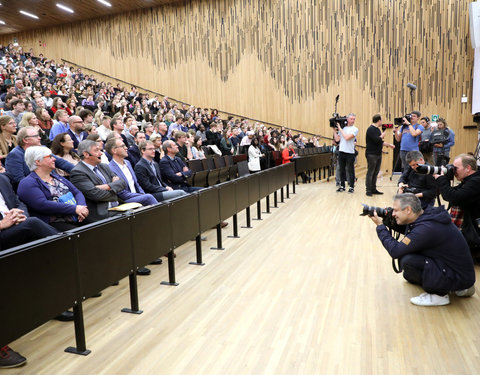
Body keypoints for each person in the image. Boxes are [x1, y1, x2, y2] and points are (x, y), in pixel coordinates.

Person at [369, 193, 475, 306]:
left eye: (396, 210)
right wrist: (387, 220)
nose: (393, 213)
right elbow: (410, 230)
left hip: (460, 277)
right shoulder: (426, 215)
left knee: (408, 260)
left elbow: (395, 251)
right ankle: (453, 285)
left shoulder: (426, 228)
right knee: (408, 270)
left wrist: (380, 226)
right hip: (457, 270)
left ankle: (439, 295)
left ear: (408, 210)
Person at [17, 146, 89, 231]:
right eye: (50, 157)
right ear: (38, 162)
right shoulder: (27, 183)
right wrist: (75, 209)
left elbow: (77, 192)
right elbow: (42, 205)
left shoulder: (57, 177)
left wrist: (82, 207)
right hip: (53, 223)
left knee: (99, 226)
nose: (54, 159)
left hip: (76, 215)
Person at [434, 153, 480, 256]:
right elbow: (451, 193)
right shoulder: (470, 180)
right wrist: (443, 179)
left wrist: (442, 180)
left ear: (468, 168)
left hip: (474, 231)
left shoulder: (476, 181)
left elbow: (454, 198)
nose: (453, 171)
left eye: (456, 168)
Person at [69, 140, 126, 222]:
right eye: (96, 150)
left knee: (140, 210)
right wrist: (114, 189)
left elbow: (122, 183)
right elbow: (95, 195)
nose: (101, 153)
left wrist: (107, 186)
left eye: (100, 150)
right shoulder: (78, 172)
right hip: (101, 212)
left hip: (118, 205)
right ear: (86, 154)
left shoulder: (103, 166)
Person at [5, 126, 74, 190]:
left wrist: (80, 172)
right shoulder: (15, 155)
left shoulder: (42, 148)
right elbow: (19, 180)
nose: (39, 138)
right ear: (25, 140)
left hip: (54, 185)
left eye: (39, 135)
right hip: (35, 190)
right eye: (36, 136)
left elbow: (62, 163)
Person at [105, 138, 157, 206]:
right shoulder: (110, 168)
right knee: (149, 198)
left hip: (137, 196)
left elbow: (137, 184)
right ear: (114, 150)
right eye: (122, 146)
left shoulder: (128, 163)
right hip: (124, 201)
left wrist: (142, 194)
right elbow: (121, 193)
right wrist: (141, 196)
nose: (126, 148)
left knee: (148, 197)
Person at [365, 114, 395, 196]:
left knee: (376, 172)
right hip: (371, 154)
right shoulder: (370, 129)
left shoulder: (377, 130)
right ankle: (368, 190)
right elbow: (376, 139)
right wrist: (383, 134)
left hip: (378, 154)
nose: (382, 122)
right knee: (370, 172)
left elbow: (380, 142)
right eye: (381, 120)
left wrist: (389, 145)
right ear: (378, 120)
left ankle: (373, 189)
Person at [333, 113, 358, 193]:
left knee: (350, 170)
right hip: (341, 151)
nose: (353, 120)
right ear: (347, 119)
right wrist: (334, 130)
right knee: (341, 170)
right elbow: (337, 139)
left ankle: (351, 187)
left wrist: (340, 129)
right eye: (351, 119)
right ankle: (342, 186)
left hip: (350, 152)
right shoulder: (343, 129)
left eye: (354, 119)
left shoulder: (355, 129)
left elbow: (347, 138)